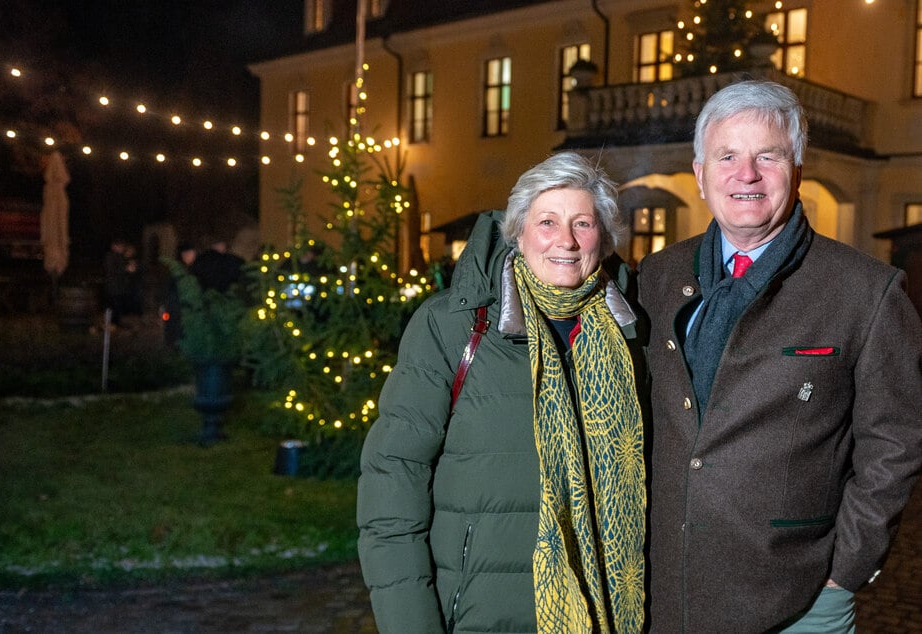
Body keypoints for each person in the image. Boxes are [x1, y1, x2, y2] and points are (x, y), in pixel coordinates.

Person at [637, 79, 922, 632]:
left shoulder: (867, 291)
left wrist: (846, 572)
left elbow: (895, 442)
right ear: (700, 174)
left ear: (797, 171)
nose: (746, 175)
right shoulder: (657, 275)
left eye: (768, 156)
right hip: (665, 591)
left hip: (797, 598)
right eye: (727, 157)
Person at [358, 151, 648, 633]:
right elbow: (392, 484)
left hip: (606, 616)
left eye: (583, 223)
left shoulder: (630, 329)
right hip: (479, 616)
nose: (566, 241)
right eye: (547, 222)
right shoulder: (453, 325)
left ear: (604, 236)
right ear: (518, 232)